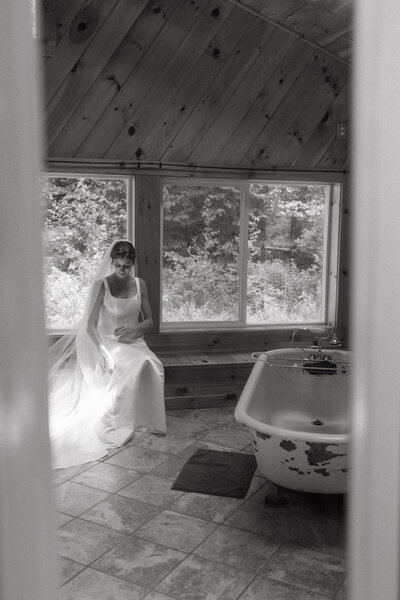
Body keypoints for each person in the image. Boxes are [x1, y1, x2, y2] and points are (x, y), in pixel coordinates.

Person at [48, 239, 166, 469]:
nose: (122, 270)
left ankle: (144, 419)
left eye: (127, 266)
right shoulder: (101, 285)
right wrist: (103, 352)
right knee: (125, 366)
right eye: (119, 265)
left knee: (152, 362)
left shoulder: (140, 284)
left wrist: (135, 328)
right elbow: (90, 326)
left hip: (134, 341)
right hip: (106, 343)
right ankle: (118, 425)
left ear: (132, 264)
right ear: (112, 262)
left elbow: (150, 321)